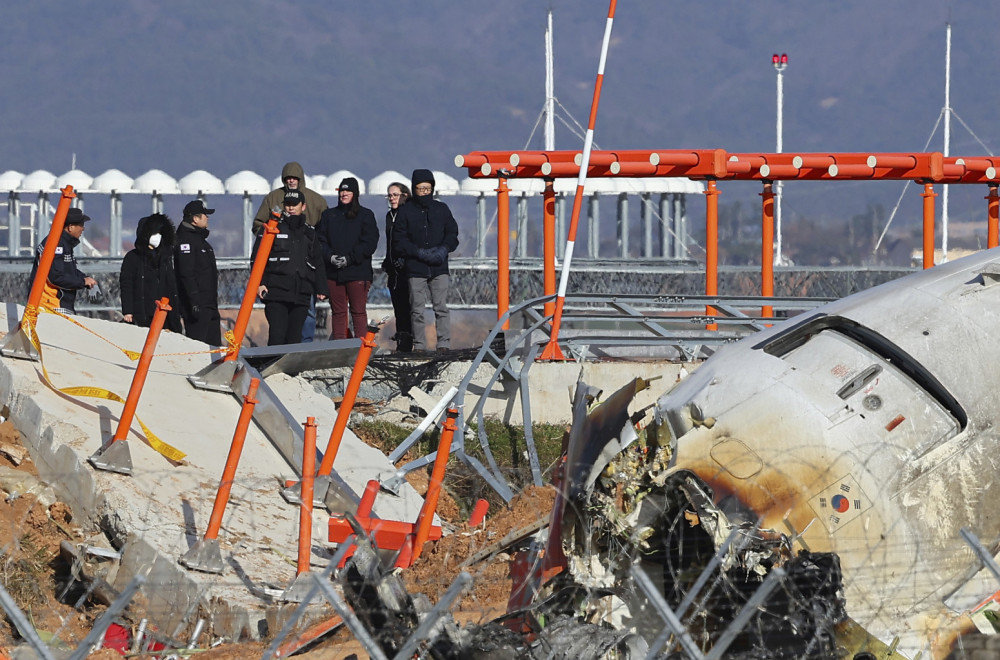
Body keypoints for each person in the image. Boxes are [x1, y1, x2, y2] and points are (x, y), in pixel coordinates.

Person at [253, 162, 329, 343]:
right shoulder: (273, 225)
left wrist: (321, 287)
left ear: (303, 206)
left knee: (297, 336)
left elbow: (317, 259)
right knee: (278, 335)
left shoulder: (309, 231)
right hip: (277, 289)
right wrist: (260, 282)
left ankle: (295, 366)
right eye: (288, 204)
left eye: (295, 204)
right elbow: (257, 257)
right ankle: (272, 369)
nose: (291, 207)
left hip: (302, 291)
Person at [392, 169, 459, 352]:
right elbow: (399, 240)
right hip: (415, 267)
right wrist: (417, 252)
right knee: (416, 309)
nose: (424, 192)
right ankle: (419, 345)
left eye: (427, 189)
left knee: (441, 307)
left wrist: (444, 249)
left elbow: (452, 233)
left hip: (439, 267)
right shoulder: (406, 211)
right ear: (414, 189)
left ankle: (444, 343)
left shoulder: (441, 209)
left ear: (432, 189)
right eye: (420, 189)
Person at [316, 177, 378, 340]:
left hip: (358, 272)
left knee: (358, 312)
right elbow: (320, 241)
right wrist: (330, 257)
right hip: (334, 273)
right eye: (341, 191)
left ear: (355, 193)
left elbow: (369, 243)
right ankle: (340, 347)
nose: (344, 194)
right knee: (338, 313)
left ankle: (360, 348)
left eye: (347, 191)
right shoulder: (329, 215)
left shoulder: (366, 215)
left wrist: (350, 259)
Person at [119, 213, 183, 332]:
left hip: (164, 312)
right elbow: (126, 285)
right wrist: (128, 311)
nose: (157, 236)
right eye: (154, 233)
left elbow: (171, 285)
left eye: (159, 233)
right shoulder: (133, 257)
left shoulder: (165, 258)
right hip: (142, 311)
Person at [30, 207, 98, 314]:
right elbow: (55, 277)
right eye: (81, 225)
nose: (83, 229)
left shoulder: (63, 243)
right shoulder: (56, 244)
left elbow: (68, 270)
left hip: (58, 304)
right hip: (51, 305)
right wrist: (82, 282)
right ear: (70, 227)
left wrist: (84, 278)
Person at [174, 200, 222, 345]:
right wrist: (194, 302)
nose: (208, 218)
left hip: (210, 304)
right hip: (197, 306)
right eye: (204, 215)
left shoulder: (202, 242)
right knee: (198, 345)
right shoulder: (185, 241)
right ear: (195, 219)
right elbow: (186, 273)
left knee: (214, 347)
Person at [382, 182, 413, 352]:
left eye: (395, 195)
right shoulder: (389, 216)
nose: (392, 198)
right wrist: (388, 261)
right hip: (393, 270)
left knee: (409, 308)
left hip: (407, 269)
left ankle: (409, 342)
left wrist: (404, 259)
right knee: (398, 307)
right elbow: (390, 242)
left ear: (404, 195)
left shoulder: (409, 214)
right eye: (389, 195)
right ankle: (401, 341)